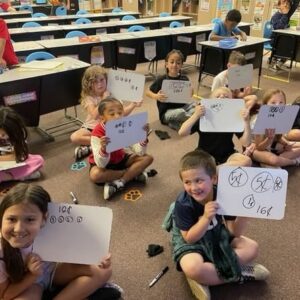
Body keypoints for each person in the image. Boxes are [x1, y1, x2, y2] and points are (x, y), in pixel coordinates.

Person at [162, 150, 270, 299]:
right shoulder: (183, 204)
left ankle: (209, 278)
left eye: (199, 180)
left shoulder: (223, 194)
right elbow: (189, 238)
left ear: (214, 179)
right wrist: (205, 218)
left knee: (252, 248)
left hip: (216, 235)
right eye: (187, 182)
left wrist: (245, 214)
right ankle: (238, 273)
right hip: (192, 241)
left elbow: (234, 232)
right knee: (193, 267)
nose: (193, 188)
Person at [0, 183, 122, 299]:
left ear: (44, 219)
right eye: (11, 219)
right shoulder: (1, 252)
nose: (19, 229)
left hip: (53, 272)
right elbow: (5, 295)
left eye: (30, 219)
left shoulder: (51, 228)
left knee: (103, 270)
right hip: (28, 284)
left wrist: (96, 257)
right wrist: (32, 275)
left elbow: (77, 251)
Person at [70, 65, 140, 161]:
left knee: (131, 133)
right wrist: (103, 99)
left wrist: (133, 105)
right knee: (75, 137)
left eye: (102, 80)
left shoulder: (113, 94)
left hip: (108, 127)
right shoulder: (89, 98)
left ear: (106, 80)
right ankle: (97, 145)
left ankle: (91, 148)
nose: (100, 84)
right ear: (89, 84)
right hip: (92, 127)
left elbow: (121, 113)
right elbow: (95, 115)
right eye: (95, 82)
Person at [89, 97, 153, 200]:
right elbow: (101, 164)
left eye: (120, 113)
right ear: (102, 118)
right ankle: (132, 174)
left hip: (120, 158)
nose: (118, 116)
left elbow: (139, 151)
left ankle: (120, 182)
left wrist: (143, 137)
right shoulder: (96, 133)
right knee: (95, 175)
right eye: (112, 114)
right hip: (104, 165)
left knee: (148, 158)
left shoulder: (125, 126)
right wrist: (104, 149)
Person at [178, 87, 252, 167]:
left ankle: (214, 170)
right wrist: (195, 115)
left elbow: (246, 143)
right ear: (210, 101)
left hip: (227, 153)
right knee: (192, 166)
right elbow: (182, 132)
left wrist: (246, 122)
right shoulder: (204, 116)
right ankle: (218, 170)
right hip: (205, 154)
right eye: (217, 96)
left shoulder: (232, 117)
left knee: (247, 161)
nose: (222, 98)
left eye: (226, 97)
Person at [146, 49, 195, 131]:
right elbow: (147, 92)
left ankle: (178, 123)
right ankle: (191, 120)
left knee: (195, 106)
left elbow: (190, 95)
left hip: (183, 107)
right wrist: (156, 96)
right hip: (167, 112)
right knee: (181, 113)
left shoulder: (184, 78)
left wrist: (191, 90)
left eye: (178, 63)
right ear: (166, 64)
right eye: (172, 62)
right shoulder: (161, 79)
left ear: (181, 65)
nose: (175, 65)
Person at [251, 89, 300, 167]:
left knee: (285, 153)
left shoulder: (280, 116)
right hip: (255, 149)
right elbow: (259, 147)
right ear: (266, 105)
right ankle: (294, 161)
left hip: (272, 145)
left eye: (281, 103)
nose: (277, 106)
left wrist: (286, 144)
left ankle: (281, 160)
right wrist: (269, 139)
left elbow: (278, 137)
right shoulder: (259, 120)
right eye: (273, 103)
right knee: (274, 160)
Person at [0, 106, 44, 183]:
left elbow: (21, 154)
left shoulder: (17, 136)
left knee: (38, 160)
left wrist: (16, 157)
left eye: (4, 134)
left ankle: (11, 176)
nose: (2, 137)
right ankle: (20, 176)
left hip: (11, 164)